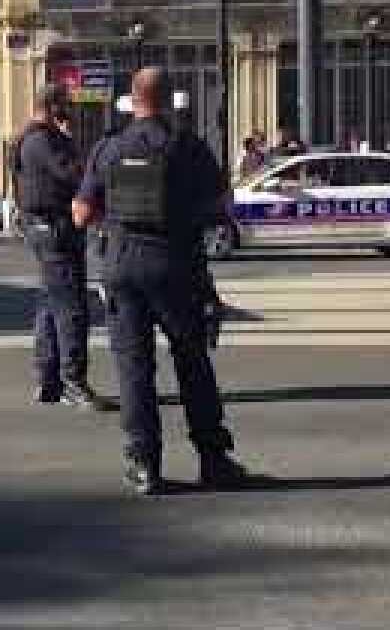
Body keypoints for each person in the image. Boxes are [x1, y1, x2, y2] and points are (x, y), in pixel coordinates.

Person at [73, 67, 254, 495]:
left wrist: (112, 225)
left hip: (121, 266)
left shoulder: (108, 148)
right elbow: (221, 205)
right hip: (175, 264)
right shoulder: (186, 147)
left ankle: (144, 465)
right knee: (192, 362)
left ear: (131, 100)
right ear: (170, 99)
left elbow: (80, 213)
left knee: (133, 367)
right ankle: (213, 459)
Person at [13, 86, 114, 411]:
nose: (70, 111)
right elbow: (73, 174)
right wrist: (71, 144)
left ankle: (49, 378)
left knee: (51, 302)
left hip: (42, 227)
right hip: (54, 229)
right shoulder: (43, 140)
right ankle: (74, 381)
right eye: (66, 106)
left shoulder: (30, 137)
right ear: (53, 106)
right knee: (72, 306)